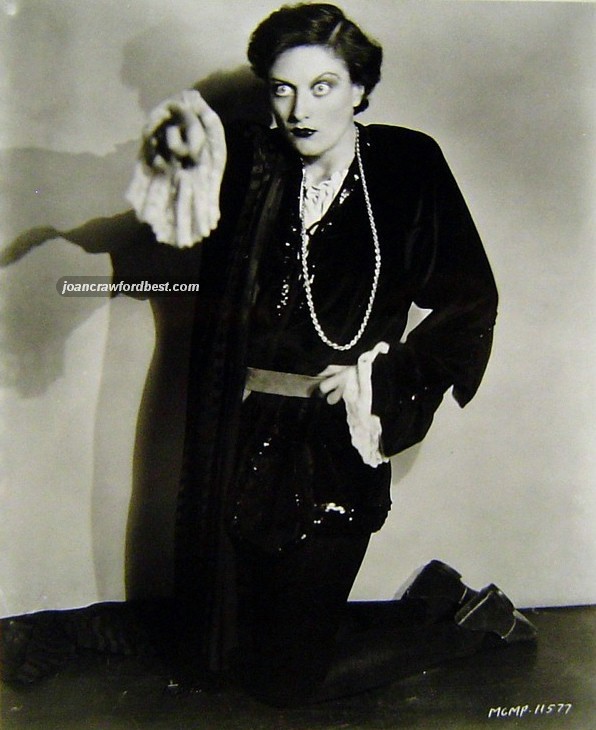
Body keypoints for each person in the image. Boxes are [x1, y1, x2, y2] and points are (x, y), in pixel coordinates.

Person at [1, 2, 535, 707]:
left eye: (322, 87)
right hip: (242, 437)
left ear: (359, 89)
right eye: (283, 89)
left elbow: (471, 299)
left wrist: (387, 374)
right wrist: (59, 240)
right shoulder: (253, 167)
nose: (299, 109)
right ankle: (434, 597)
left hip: (336, 443)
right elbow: (156, 222)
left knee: (285, 681)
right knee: (222, 652)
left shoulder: (408, 164)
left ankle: (470, 625)